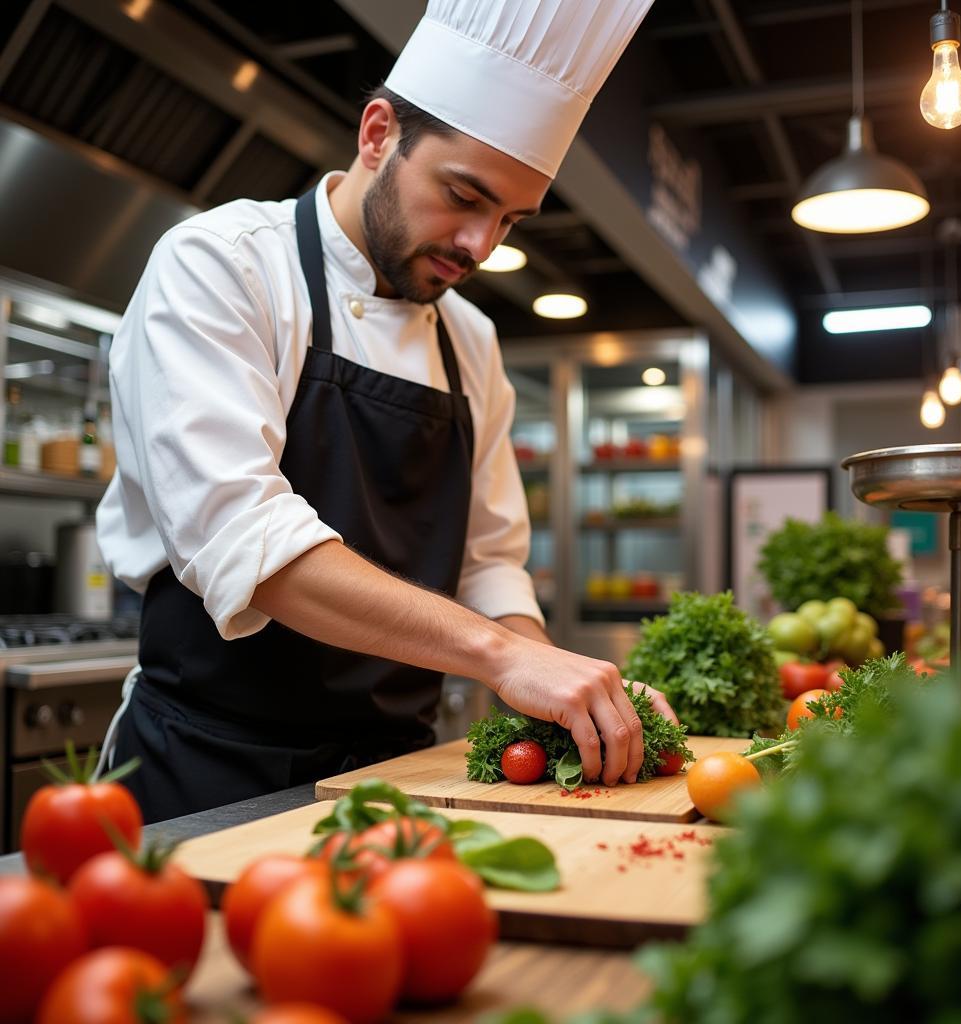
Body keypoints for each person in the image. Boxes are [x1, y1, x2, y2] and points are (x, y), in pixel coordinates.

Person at [96, 0, 672, 822]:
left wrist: (555, 682)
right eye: (464, 195)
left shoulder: (471, 340)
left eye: (509, 219)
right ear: (377, 134)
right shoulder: (223, 267)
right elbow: (247, 541)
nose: (482, 247)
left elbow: (490, 563)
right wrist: (499, 656)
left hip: (397, 778)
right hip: (203, 767)